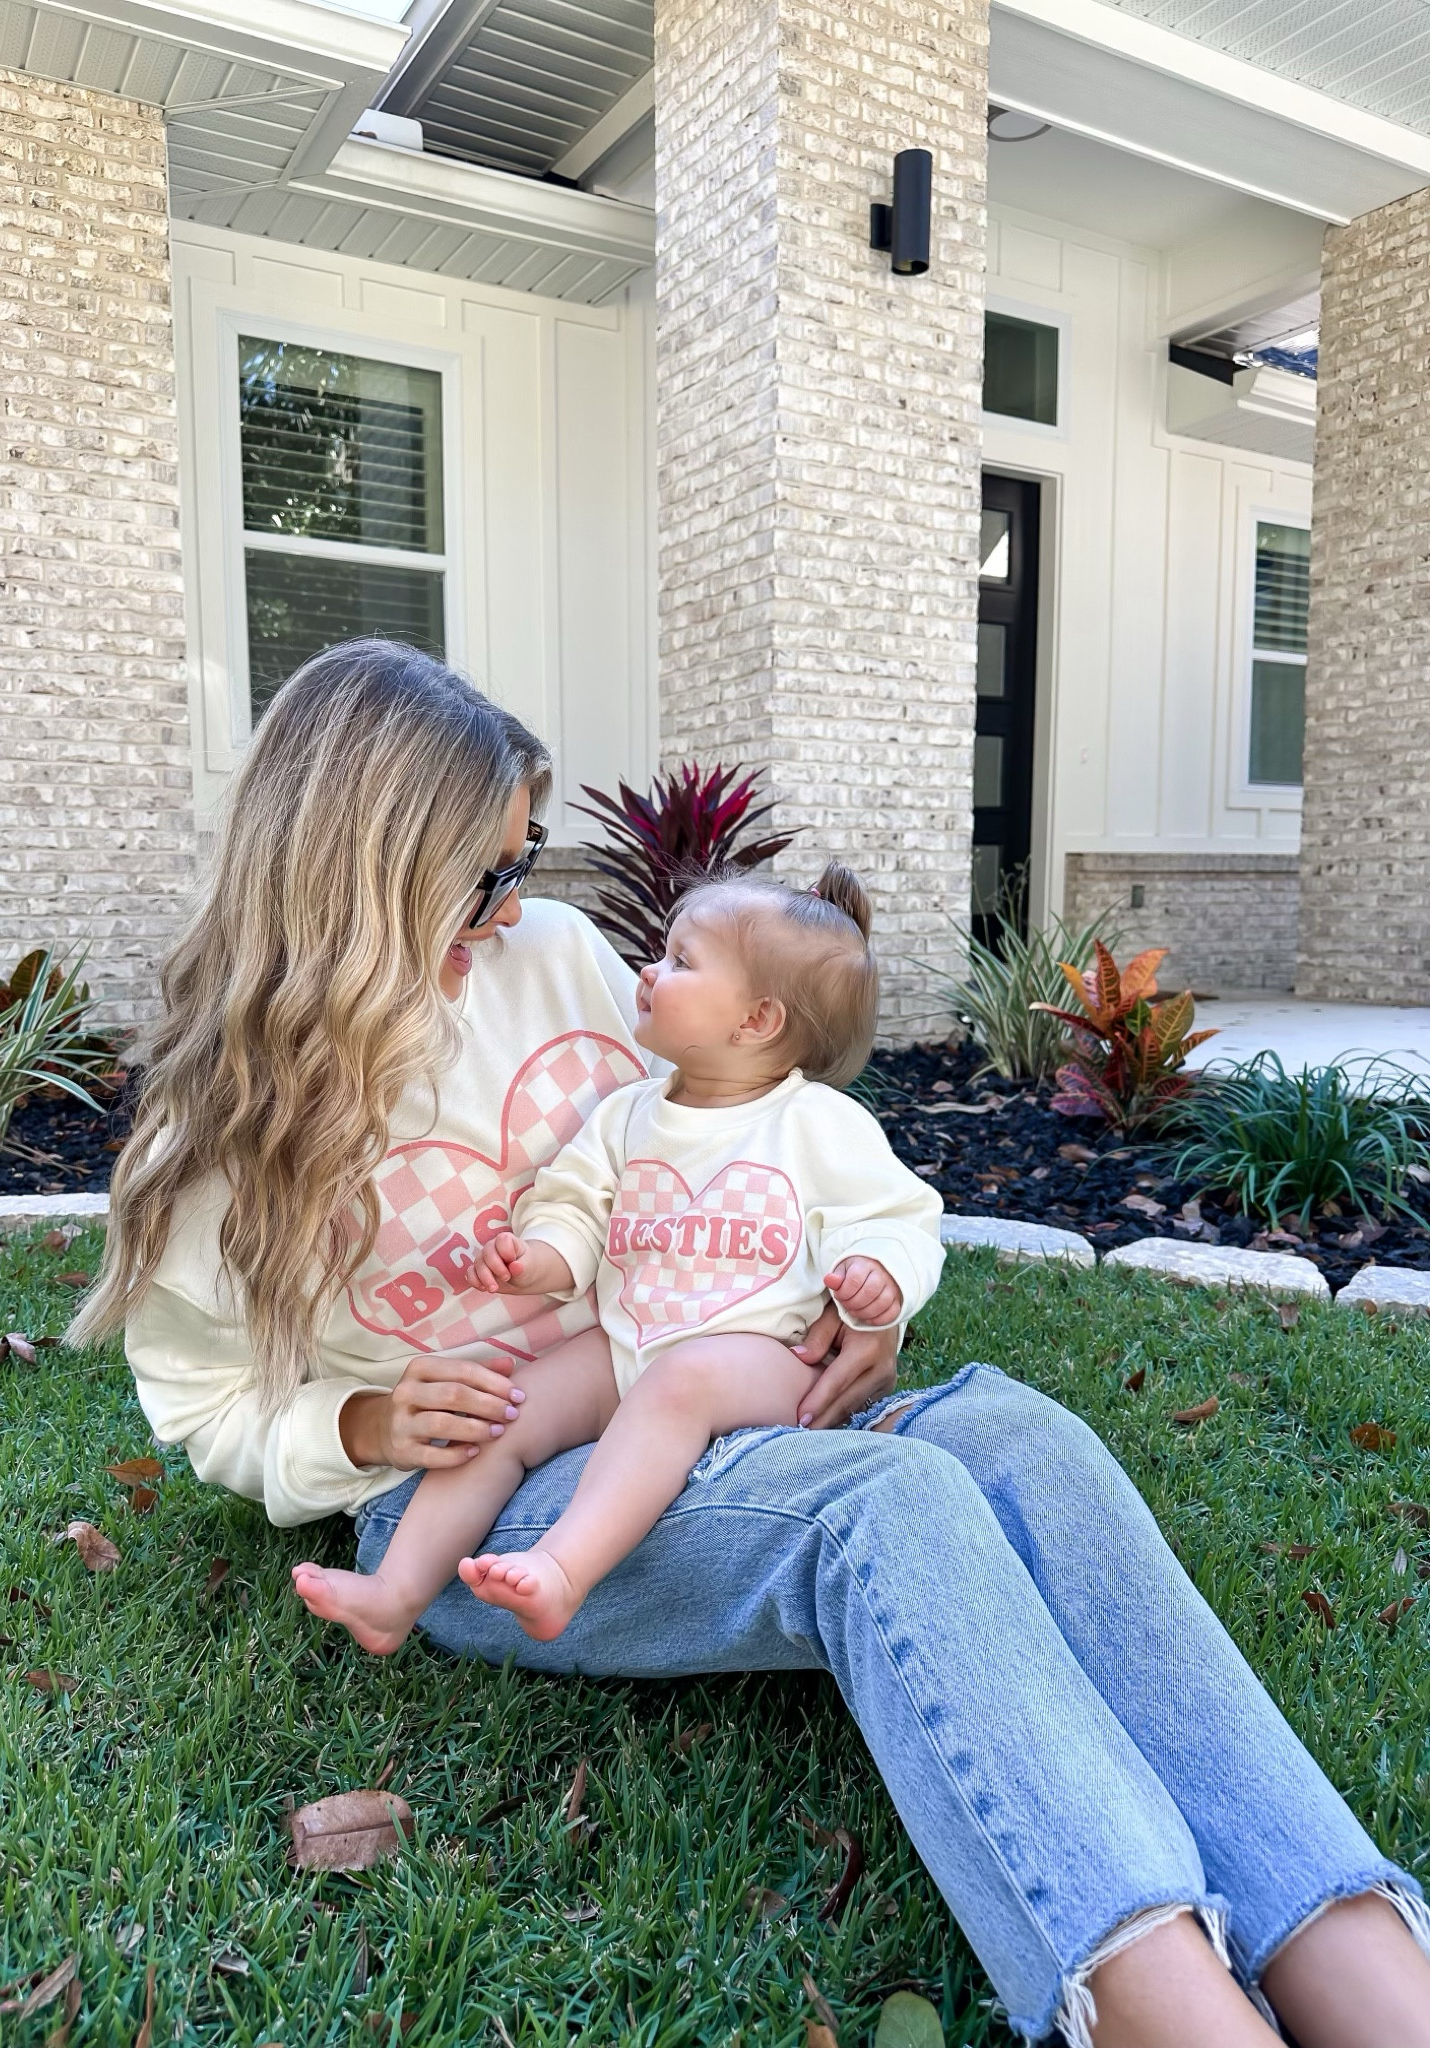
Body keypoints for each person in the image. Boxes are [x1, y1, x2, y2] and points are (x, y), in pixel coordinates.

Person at [72, 641, 1430, 2048]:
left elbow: (740, 1135)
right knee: (882, 1511)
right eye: (480, 879)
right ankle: (1170, 2016)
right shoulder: (215, 1134)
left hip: (697, 1377)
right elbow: (209, 1409)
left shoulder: (557, 961)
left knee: (1025, 1437)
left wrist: (856, 1309)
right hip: (480, 1487)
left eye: (522, 861)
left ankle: (1362, 1968)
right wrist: (362, 1430)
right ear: (358, 875)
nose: (514, 906)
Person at [291, 862, 944, 1651]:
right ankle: (394, 1593)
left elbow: (898, 1215)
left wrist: (881, 1275)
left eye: (680, 962)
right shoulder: (628, 1115)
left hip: (765, 1362)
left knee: (681, 1381)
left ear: (757, 1020)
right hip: (628, 1339)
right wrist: (541, 1258)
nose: (649, 971)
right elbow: (577, 1204)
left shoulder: (817, 1124)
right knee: (505, 1409)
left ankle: (563, 1572)